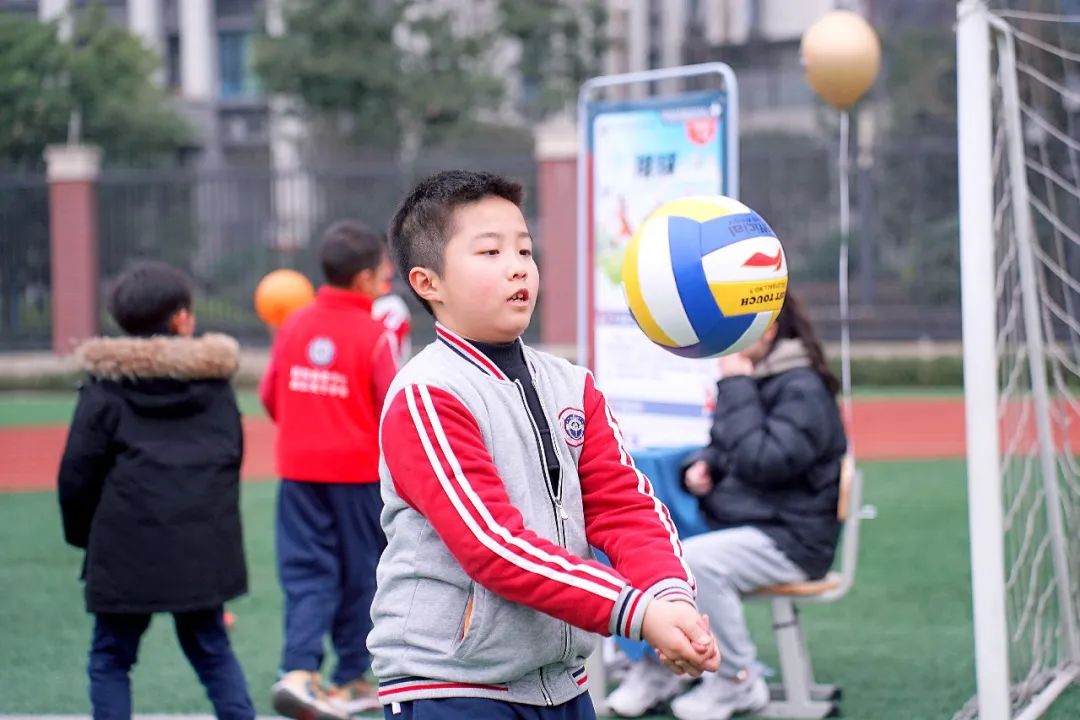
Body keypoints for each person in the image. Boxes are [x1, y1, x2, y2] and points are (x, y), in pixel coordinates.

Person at [369, 170, 719, 720]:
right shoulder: (427, 394)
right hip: (452, 686)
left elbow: (624, 507)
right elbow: (493, 546)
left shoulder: (570, 384)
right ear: (427, 282)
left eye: (524, 250)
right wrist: (636, 612)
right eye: (489, 251)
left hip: (562, 683)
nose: (517, 266)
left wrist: (670, 597)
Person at [605, 292, 848, 720]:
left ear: (767, 331)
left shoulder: (802, 387)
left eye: (734, 333)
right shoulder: (764, 379)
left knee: (696, 560)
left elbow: (763, 460)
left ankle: (737, 679)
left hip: (791, 539)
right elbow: (728, 447)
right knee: (650, 546)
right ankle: (658, 667)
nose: (722, 345)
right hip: (754, 523)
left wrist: (735, 384)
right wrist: (702, 467)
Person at [57, 261, 254, 720]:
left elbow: (76, 475)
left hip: (124, 546)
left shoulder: (104, 388)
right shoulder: (216, 386)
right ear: (182, 319)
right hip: (201, 545)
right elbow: (231, 459)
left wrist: (87, 537)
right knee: (212, 650)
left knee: (111, 657)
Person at [260, 220, 399, 719]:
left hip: (298, 475)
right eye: (382, 269)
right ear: (365, 279)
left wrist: (306, 434)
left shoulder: (293, 325)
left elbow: (270, 395)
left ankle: (298, 672)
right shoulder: (375, 335)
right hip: (358, 478)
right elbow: (393, 409)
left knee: (306, 572)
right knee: (361, 574)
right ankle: (351, 678)